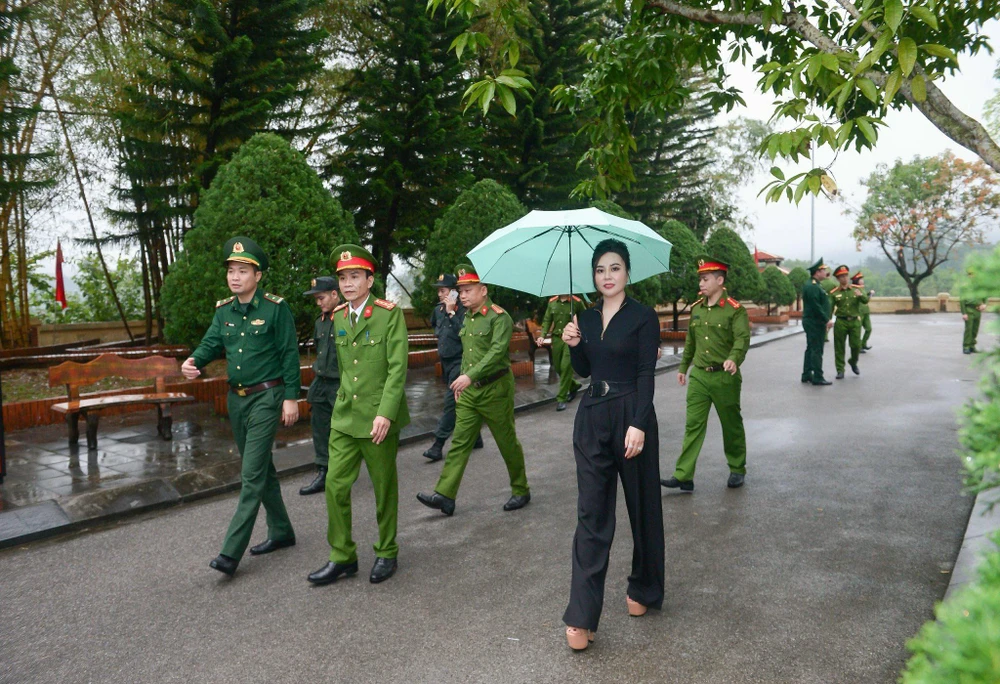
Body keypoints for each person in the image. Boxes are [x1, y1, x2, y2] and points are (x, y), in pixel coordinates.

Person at [559, 239, 664, 652]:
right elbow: (586, 369)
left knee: (642, 508)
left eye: (615, 268)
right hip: (593, 416)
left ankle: (645, 587)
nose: (607, 276)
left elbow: (645, 374)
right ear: (594, 276)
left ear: (627, 273)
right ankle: (581, 615)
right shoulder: (584, 316)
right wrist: (573, 346)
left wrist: (638, 423)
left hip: (630, 413)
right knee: (592, 515)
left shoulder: (642, 317)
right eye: (600, 269)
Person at [182, 236, 300, 577]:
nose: (235, 277)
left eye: (243, 271)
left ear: (257, 276)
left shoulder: (275, 309)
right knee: (263, 470)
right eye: (231, 270)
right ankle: (282, 532)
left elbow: (289, 354)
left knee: (250, 475)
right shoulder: (224, 311)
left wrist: (291, 397)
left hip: (267, 397)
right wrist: (193, 360)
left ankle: (230, 553)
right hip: (237, 400)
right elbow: (210, 343)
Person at [307, 244, 410, 586]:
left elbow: (397, 369)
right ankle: (342, 556)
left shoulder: (388, 314)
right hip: (345, 417)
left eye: (355, 276)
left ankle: (386, 550)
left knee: (383, 488)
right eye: (343, 277)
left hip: (378, 418)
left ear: (369, 279)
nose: (348, 283)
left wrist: (386, 413)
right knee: (335, 486)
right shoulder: (337, 316)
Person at [416, 263, 531, 517]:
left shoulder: (499, 317)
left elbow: (496, 353)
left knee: (506, 442)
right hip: (469, 392)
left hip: (495, 390)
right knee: (459, 442)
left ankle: (521, 489)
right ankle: (445, 495)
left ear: (484, 290)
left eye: (468, 290)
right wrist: (462, 381)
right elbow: (467, 353)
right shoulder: (465, 316)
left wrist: (469, 376)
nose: (462, 295)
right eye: (460, 290)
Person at [661, 258, 750, 493]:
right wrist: (683, 368)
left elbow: (742, 338)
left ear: (720, 281)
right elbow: (691, 341)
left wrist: (734, 358)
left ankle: (737, 468)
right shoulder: (697, 308)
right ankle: (684, 476)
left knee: (730, 425)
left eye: (705, 279)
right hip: (699, 376)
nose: (701, 283)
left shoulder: (735, 310)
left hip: (724, 377)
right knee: (693, 425)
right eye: (700, 279)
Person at [423, 273, 483, 461]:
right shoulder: (438, 310)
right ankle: (476, 438)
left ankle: (437, 444)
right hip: (446, 363)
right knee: (460, 401)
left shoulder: (465, 312)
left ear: (454, 293)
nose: (440, 294)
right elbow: (437, 329)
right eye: (439, 291)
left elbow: (464, 334)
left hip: (461, 362)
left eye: (443, 291)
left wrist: (452, 313)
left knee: (450, 403)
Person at [299, 276, 341, 495]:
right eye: (316, 299)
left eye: (321, 298)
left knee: (344, 429)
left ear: (335, 294)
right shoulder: (320, 321)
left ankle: (343, 471)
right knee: (320, 427)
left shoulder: (347, 318)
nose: (319, 303)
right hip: (321, 382)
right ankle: (324, 471)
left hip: (341, 384)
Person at [537, 294, 586, 411]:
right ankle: (573, 385)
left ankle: (561, 399)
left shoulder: (577, 302)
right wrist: (542, 336)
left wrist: (580, 334)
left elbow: (585, 320)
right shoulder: (552, 302)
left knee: (565, 367)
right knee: (558, 367)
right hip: (557, 339)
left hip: (570, 339)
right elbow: (547, 320)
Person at [829, 265, 869, 379]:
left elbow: (866, 300)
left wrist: (860, 295)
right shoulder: (834, 292)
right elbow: (830, 308)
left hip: (855, 321)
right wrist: (829, 320)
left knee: (856, 346)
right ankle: (840, 369)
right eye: (841, 276)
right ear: (838, 279)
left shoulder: (856, 288)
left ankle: (853, 361)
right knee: (839, 347)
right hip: (841, 321)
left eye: (846, 275)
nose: (844, 278)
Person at [801, 259, 834, 386]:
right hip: (814, 322)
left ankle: (807, 374)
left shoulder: (815, 285)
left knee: (811, 348)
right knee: (816, 350)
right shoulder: (813, 286)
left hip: (813, 321)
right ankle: (818, 376)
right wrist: (826, 319)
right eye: (823, 270)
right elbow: (816, 306)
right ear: (817, 272)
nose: (825, 272)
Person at [961, 270, 988, 354]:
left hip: (978, 310)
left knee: (975, 329)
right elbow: (962, 301)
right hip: (969, 309)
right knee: (969, 329)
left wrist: (984, 304)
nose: (972, 276)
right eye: (971, 275)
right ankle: (966, 346)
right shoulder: (965, 287)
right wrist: (964, 313)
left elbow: (985, 296)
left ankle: (972, 346)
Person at [852, 272, 874, 352]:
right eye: (860, 279)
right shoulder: (854, 289)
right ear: (856, 280)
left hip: (866, 311)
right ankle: (858, 347)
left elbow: (865, 298)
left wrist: (869, 294)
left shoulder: (861, 288)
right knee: (858, 330)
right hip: (859, 312)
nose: (862, 280)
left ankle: (863, 344)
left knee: (868, 329)